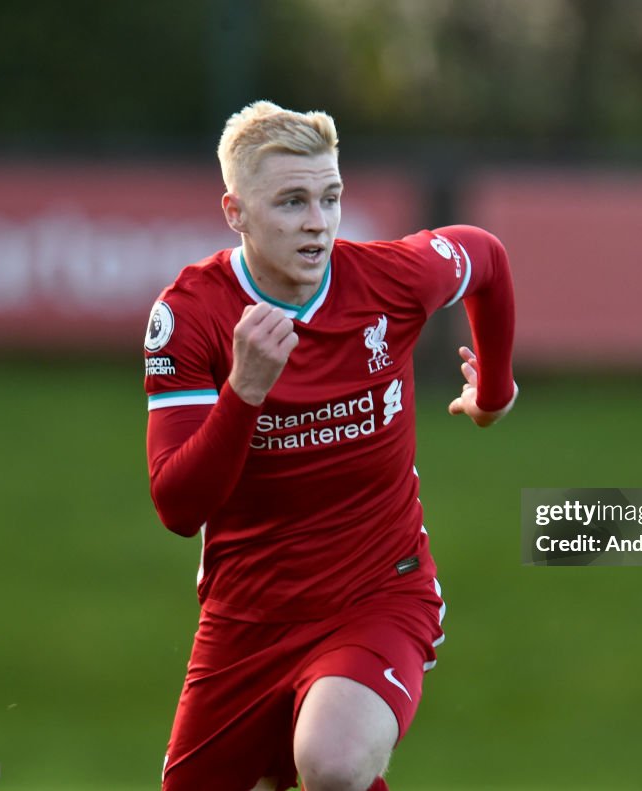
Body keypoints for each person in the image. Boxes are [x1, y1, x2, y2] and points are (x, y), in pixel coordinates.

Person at [144, 100, 517, 791]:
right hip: (246, 617)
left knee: (334, 762)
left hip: (379, 591)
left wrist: (494, 393)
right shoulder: (192, 314)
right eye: (291, 201)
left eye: (331, 196)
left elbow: (486, 258)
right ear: (237, 212)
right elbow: (177, 505)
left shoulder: (389, 279)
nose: (317, 221)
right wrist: (244, 392)